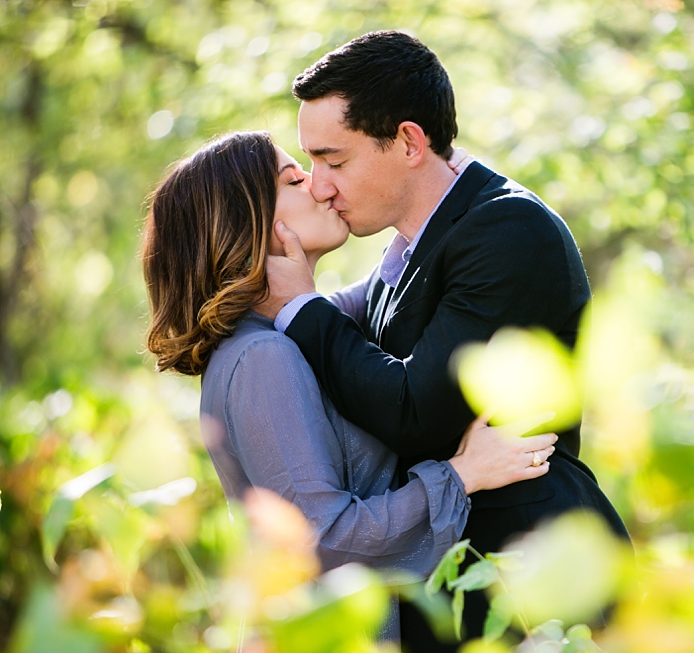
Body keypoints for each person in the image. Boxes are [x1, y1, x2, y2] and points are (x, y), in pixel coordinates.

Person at [256, 31, 630, 650]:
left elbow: (414, 410)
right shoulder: (409, 245)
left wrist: (297, 306)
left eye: (335, 161)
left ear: (407, 142)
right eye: (312, 164)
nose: (320, 185)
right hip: (456, 575)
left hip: (530, 570)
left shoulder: (508, 229)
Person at [140, 131, 558, 641]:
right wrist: (462, 474)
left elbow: (398, 275)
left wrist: (433, 168)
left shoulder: (285, 332)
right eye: (295, 177)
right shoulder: (260, 358)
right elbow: (321, 541)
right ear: (250, 222)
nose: (319, 186)